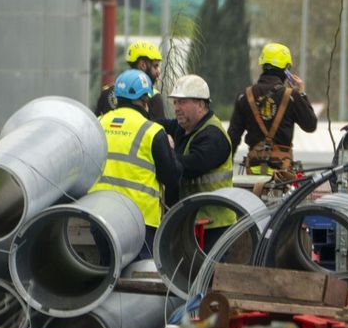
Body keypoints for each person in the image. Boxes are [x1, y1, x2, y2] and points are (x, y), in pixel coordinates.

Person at [89, 69, 182, 260]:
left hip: (99, 216)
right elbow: (172, 177)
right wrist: (171, 149)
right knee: (137, 279)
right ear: (144, 100)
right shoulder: (153, 131)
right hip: (139, 221)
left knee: (107, 272)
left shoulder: (97, 124)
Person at [166, 74, 236, 252]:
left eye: (182, 102)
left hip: (214, 226)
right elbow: (156, 126)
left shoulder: (213, 136)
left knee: (209, 278)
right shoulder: (184, 128)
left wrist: (164, 154)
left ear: (200, 104)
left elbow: (191, 165)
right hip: (192, 223)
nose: (176, 108)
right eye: (175, 102)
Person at [227, 42, 317, 176]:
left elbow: (232, 138)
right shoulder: (291, 96)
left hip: (252, 175)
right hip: (281, 176)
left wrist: (225, 171)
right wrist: (301, 94)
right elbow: (310, 125)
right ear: (286, 70)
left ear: (263, 65)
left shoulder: (244, 96)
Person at [94, 40, 165, 118]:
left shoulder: (106, 92)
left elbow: (96, 126)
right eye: (155, 66)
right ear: (143, 65)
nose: (158, 72)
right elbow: (158, 129)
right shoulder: (153, 97)